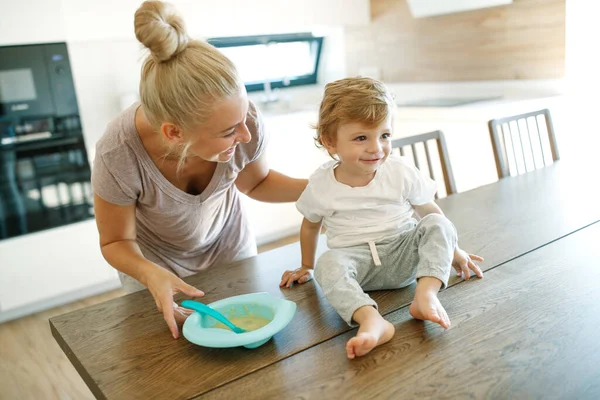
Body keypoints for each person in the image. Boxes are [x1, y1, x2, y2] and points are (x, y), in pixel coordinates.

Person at [91, 1, 306, 339]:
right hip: (155, 269)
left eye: (244, 118)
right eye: (228, 132)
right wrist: (149, 274)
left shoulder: (242, 121)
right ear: (174, 133)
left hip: (230, 248)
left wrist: (327, 185)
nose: (246, 135)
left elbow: (257, 182)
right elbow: (116, 240)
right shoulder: (118, 153)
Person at [279, 77, 484, 359]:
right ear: (330, 142)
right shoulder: (321, 184)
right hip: (357, 265)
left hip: (405, 256)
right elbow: (311, 223)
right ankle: (370, 319)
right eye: (362, 138)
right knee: (328, 263)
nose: (376, 148)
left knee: (439, 223)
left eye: (384, 135)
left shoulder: (399, 170)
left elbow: (430, 212)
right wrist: (305, 265)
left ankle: (425, 295)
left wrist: (455, 251)